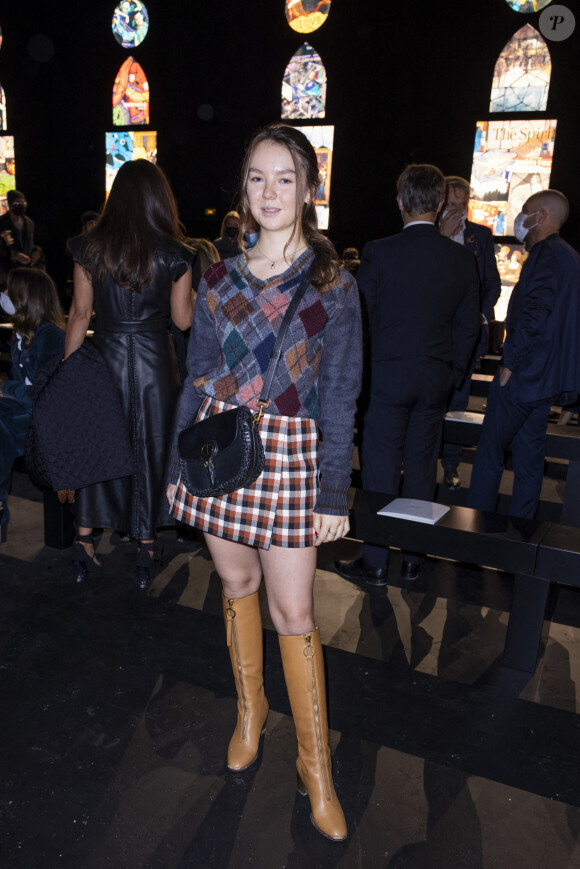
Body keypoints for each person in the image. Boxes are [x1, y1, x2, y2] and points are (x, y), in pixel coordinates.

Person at [166, 123, 362, 841]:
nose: (270, 191)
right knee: (236, 588)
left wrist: (333, 494)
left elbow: (340, 394)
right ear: (244, 189)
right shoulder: (217, 276)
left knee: (294, 614)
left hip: (289, 458)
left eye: (285, 177)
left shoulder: (334, 286)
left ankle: (317, 767)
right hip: (220, 450)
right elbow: (196, 378)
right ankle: (250, 713)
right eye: (257, 177)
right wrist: (175, 470)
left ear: (310, 189)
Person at [335, 163, 480, 584]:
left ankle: (377, 563)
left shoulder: (379, 251)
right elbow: (468, 326)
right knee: (421, 468)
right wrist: (450, 373)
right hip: (435, 377)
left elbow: (361, 318)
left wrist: (362, 375)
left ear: (399, 202)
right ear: (439, 205)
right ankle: (415, 558)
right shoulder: (461, 257)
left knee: (379, 470)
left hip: (386, 377)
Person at [66, 159, 194, 584]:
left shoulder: (90, 247)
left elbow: (80, 314)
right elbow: (182, 321)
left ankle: (84, 541)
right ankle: (145, 545)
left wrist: (69, 373)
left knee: (98, 446)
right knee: (151, 448)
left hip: (105, 358)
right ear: (160, 198)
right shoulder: (176, 253)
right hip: (156, 363)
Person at [468, 190, 580, 519]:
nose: (521, 218)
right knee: (529, 458)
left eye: (526, 211)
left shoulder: (546, 254)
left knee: (490, 452)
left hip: (525, 376)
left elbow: (534, 315)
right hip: (545, 381)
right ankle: (522, 532)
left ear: (542, 216)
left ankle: (473, 530)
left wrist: (509, 365)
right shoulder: (569, 256)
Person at [438, 175, 501, 489]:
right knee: (427, 403)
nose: (458, 211)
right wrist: (441, 238)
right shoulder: (430, 236)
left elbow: (492, 285)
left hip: (464, 339)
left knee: (458, 407)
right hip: (429, 339)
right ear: (439, 204)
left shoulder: (482, 236)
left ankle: (451, 466)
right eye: (452, 204)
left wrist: (479, 318)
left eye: (463, 205)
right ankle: (419, 460)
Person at [0, 268, 65, 543]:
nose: (3, 295)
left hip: (47, 418)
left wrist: (5, 388)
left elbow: (43, 394)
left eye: (8, 290)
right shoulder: (21, 333)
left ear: (26, 297)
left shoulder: (49, 335)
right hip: (24, 412)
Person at [0, 190, 44, 286]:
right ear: (10, 205)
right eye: (17, 202)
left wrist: (37, 252)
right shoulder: (2, 222)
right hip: (6, 273)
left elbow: (33, 243)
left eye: (23, 202)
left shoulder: (29, 223)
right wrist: (15, 255)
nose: (21, 205)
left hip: (25, 272)